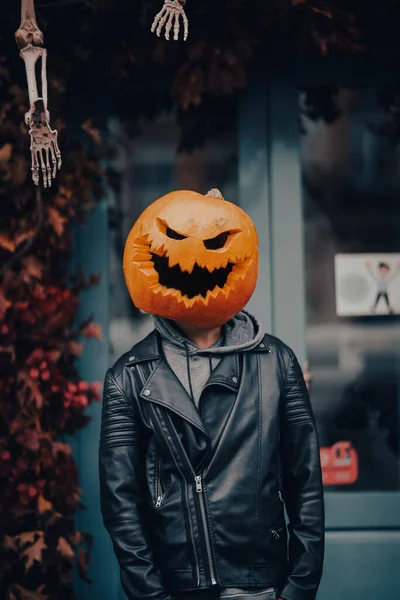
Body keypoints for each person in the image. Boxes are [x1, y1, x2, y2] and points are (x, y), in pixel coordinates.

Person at [99, 189, 325, 600]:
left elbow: (305, 481)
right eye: (173, 236)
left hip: (259, 585)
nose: (192, 256)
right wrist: (151, 595)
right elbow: (121, 503)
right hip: (176, 586)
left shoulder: (277, 363)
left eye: (217, 242)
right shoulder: (127, 378)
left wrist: (298, 588)